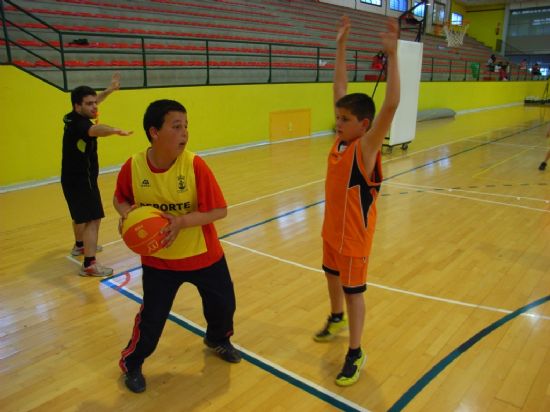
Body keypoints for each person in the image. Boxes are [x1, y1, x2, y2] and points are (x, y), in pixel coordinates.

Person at [114, 99, 240, 394]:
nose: (184, 133)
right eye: (176, 126)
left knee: (223, 306)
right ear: (154, 132)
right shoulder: (133, 167)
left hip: (203, 255)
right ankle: (132, 363)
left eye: (186, 126)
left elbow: (219, 210)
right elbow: (120, 198)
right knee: (152, 318)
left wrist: (181, 222)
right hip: (159, 262)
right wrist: (127, 216)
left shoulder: (195, 165)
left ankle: (218, 339)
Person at [313, 15, 400, 387]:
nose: (338, 122)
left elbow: (392, 104)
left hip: (354, 239)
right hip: (332, 232)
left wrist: (393, 56)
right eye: (337, 117)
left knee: (353, 294)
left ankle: (355, 351)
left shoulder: (365, 149)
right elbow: (340, 87)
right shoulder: (341, 140)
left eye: (345, 119)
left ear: (365, 125)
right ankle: (335, 318)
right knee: (330, 277)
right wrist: (340, 46)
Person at [61, 73, 132, 277]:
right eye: (89, 104)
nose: (95, 106)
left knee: (80, 216)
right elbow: (96, 129)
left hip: (70, 178)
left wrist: (109, 90)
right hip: (83, 180)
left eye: (94, 102)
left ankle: (80, 246)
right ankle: (90, 264)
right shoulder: (82, 125)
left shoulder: (72, 116)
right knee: (93, 218)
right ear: (77, 106)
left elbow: (95, 102)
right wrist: (116, 130)